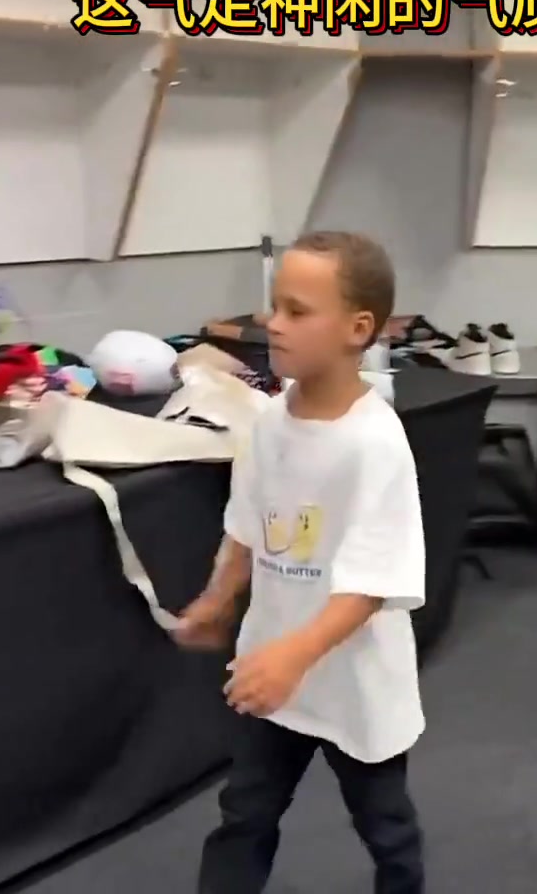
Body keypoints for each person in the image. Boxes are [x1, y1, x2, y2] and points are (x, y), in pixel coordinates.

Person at [175, 231, 426, 893]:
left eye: (296, 310)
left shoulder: (375, 443)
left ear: (357, 329)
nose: (272, 322)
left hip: (353, 682)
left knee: (386, 827)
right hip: (273, 677)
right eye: (274, 305)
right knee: (244, 815)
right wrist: (218, 600)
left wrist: (296, 655)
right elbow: (247, 526)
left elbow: (373, 582)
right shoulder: (269, 421)